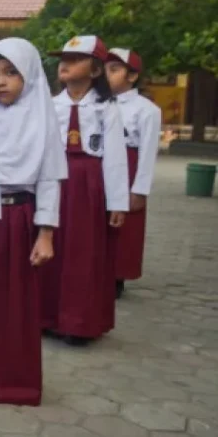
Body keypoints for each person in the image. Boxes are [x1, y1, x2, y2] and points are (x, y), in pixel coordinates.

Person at [0, 37, 67, 406]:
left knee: (13, 304)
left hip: (17, 218)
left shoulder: (42, 117)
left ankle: (11, 381)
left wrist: (46, 233)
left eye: (12, 72)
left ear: (30, 75)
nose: (1, 82)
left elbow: (50, 178)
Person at [42, 35, 129, 346]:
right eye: (63, 59)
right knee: (52, 247)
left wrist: (117, 201)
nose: (65, 64)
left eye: (75, 59)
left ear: (95, 70)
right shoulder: (51, 105)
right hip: (55, 179)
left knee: (83, 252)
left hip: (88, 183)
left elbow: (115, 155)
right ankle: (48, 317)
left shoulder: (106, 107)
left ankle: (78, 322)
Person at [104, 48, 161, 297]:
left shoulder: (146, 110)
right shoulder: (98, 103)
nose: (107, 74)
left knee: (124, 227)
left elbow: (148, 153)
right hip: (103, 165)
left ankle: (117, 276)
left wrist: (139, 189)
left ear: (132, 76)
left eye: (114, 70)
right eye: (104, 69)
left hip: (129, 164)